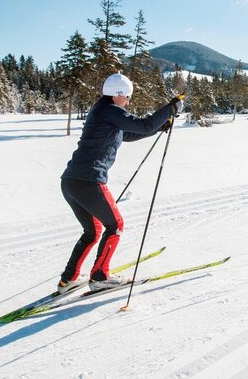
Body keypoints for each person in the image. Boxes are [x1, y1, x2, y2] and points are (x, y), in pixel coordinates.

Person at [58, 73, 184, 292]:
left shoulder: (103, 111)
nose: (128, 101)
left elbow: (130, 133)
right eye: (127, 97)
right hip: (89, 181)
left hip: (71, 182)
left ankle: (67, 281)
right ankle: (99, 277)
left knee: (92, 231)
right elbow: (143, 125)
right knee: (115, 225)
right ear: (118, 95)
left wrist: (160, 126)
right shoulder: (111, 110)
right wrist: (171, 108)